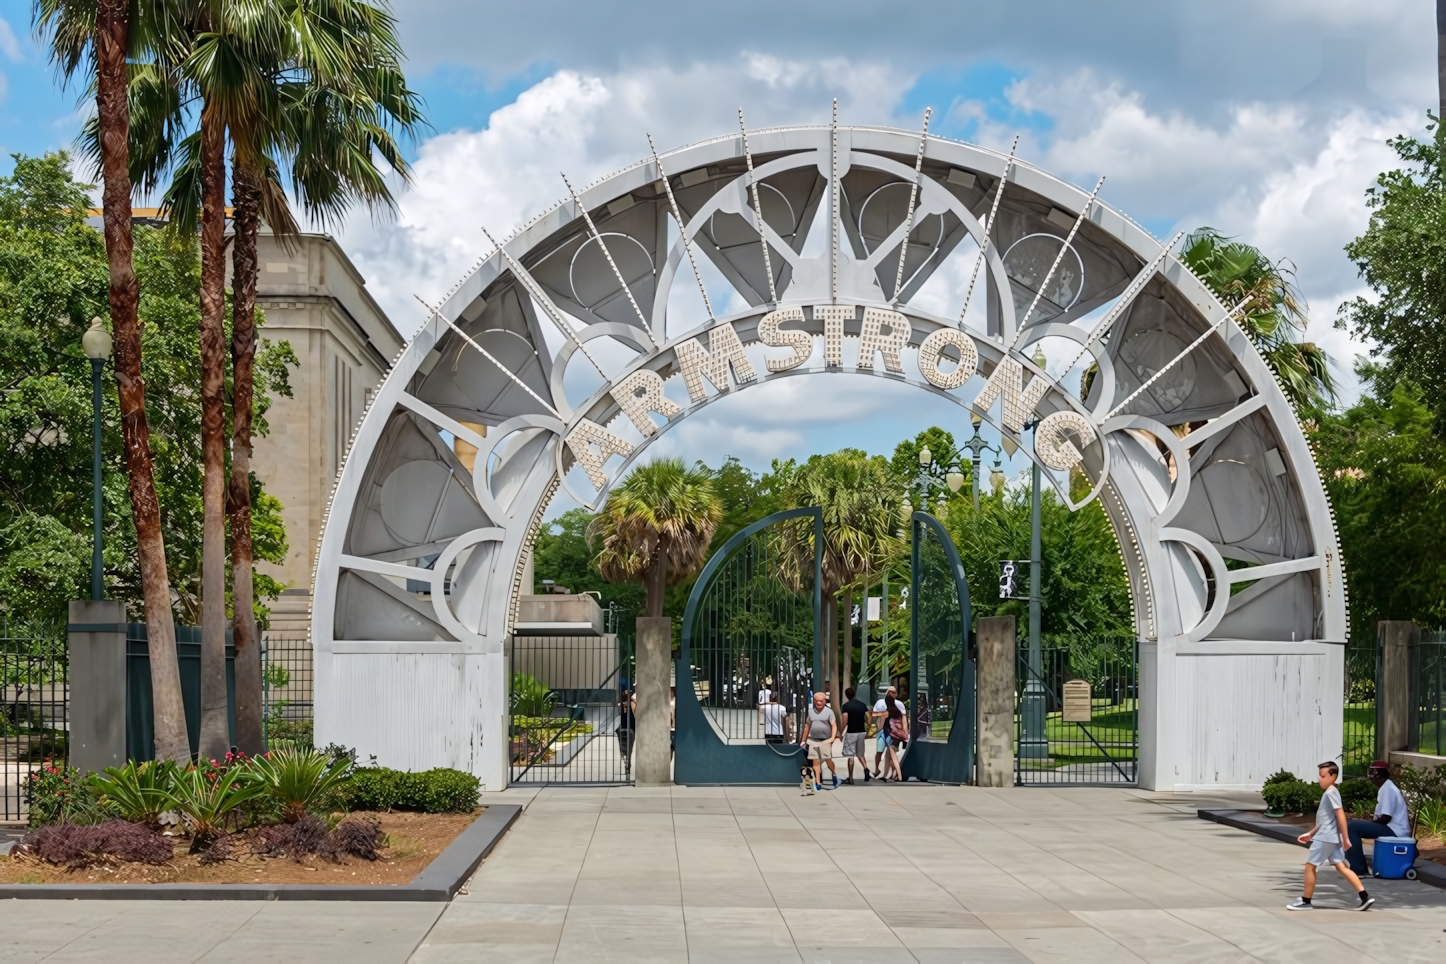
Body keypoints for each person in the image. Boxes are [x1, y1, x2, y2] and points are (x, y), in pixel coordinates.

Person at [1287, 761, 1375, 911]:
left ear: (1333, 776)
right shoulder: (1330, 792)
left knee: (1310, 867)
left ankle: (1306, 901)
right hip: (1329, 837)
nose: (1319, 779)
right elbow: (1326, 819)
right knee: (1341, 867)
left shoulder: (1331, 792)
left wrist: (1346, 838)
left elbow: (1340, 815)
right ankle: (1365, 897)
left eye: (1322, 776)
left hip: (1326, 838)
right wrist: (1311, 833)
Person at [1346, 760, 1410, 877]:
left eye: (1374, 774)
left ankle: (1358, 869)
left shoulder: (1387, 789)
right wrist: (1369, 825)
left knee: (1352, 827)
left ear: (1380, 775)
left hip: (1395, 831)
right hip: (1391, 828)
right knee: (1354, 826)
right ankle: (1357, 867)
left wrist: (1369, 825)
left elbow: (1385, 818)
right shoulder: (1386, 787)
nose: (1372, 778)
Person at [799, 691, 839, 791]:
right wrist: (803, 740)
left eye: (821, 701)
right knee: (815, 761)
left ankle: (834, 774)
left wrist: (833, 737)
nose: (819, 703)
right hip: (813, 740)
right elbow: (807, 726)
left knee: (827, 759)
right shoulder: (811, 712)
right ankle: (818, 782)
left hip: (825, 740)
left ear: (825, 701)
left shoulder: (829, 712)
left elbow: (834, 725)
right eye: (817, 701)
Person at [839, 687, 871, 784]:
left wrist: (841, 732)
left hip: (851, 732)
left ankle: (851, 778)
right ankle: (866, 768)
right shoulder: (862, 705)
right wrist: (868, 729)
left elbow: (845, 719)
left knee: (850, 755)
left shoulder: (846, 706)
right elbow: (869, 717)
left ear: (846, 695)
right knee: (860, 753)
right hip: (861, 732)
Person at [880, 688, 907, 782]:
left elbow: (880, 726)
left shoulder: (886, 712)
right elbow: (904, 721)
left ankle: (899, 775)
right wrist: (905, 733)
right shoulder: (898, 711)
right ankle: (886, 775)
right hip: (899, 735)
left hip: (891, 735)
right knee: (888, 756)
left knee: (893, 756)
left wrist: (872, 733)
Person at [616, 687, 636, 776]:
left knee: (629, 748)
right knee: (623, 748)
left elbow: (636, 713)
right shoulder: (621, 706)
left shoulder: (632, 704)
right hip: (623, 728)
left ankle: (627, 764)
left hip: (631, 729)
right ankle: (626, 762)